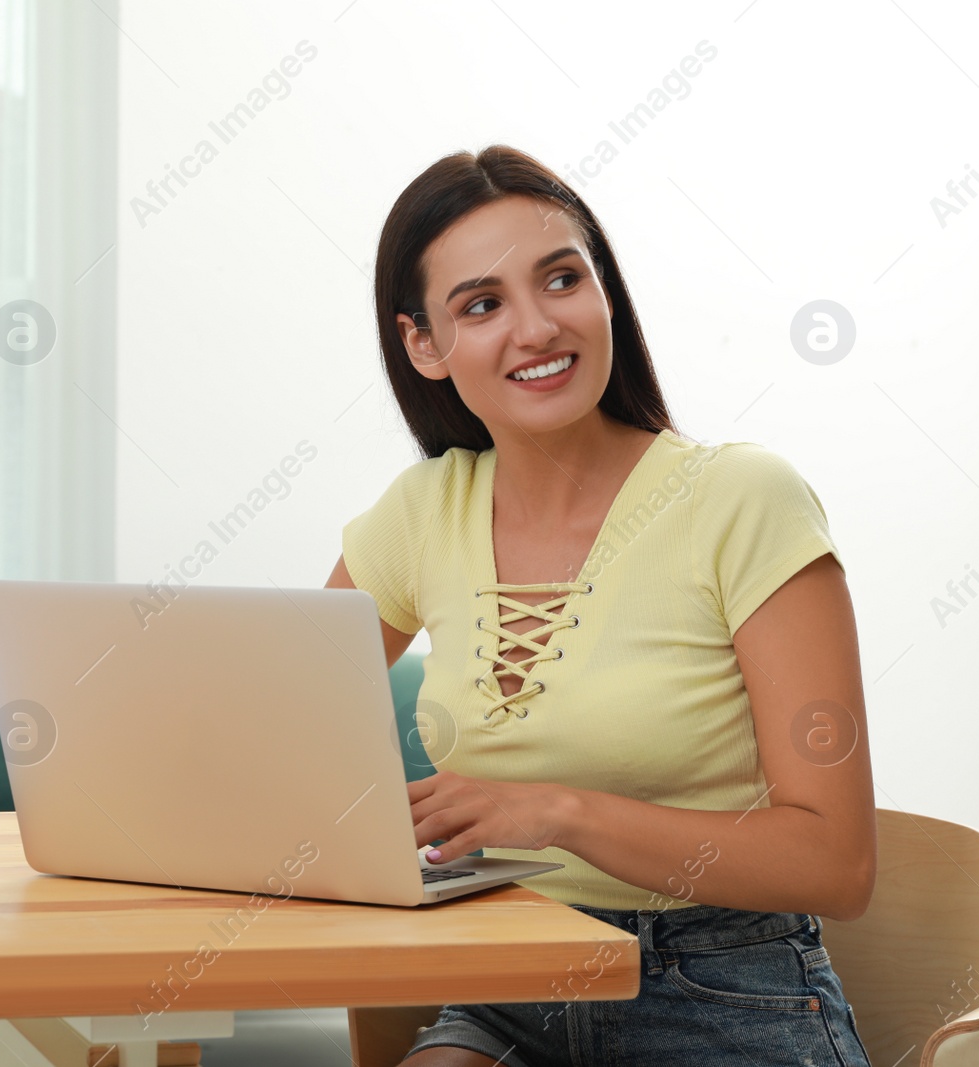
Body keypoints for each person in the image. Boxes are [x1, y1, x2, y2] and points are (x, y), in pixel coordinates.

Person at [326, 144, 874, 1066]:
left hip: (728, 994)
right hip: (507, 987)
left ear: (604, 294)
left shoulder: (743, 500)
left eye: (562, 279)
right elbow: (273, 730)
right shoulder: (422, 513)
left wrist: (556, 812)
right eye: (483, 304)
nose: (537, 327)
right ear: (425, 344)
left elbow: (837, 862)